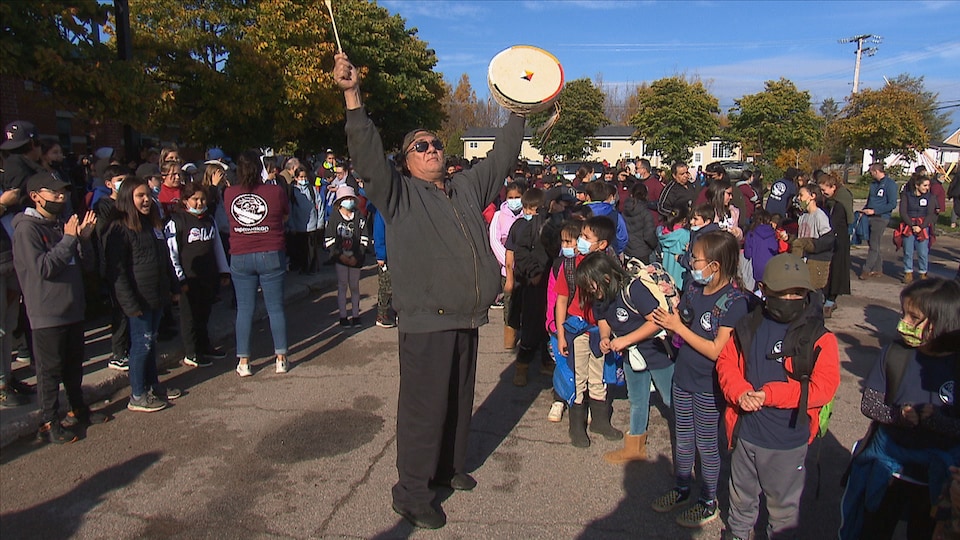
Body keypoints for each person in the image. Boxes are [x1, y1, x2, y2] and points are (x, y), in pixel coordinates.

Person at [337, 51, 525, 529]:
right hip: (426, 321)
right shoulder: (397, 193)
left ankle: (448, 468)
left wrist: (520, 108)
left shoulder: (464, 188)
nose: (431, 149)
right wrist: (352, 96)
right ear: (405, 160)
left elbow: (502, 155)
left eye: (436, 142)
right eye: (420, 146)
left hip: (467, 316)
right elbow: (364, 153)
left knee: (459, 400)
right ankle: (412, 492)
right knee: (423, 410)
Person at [717, 253, 841, 540]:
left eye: (797, 293)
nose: (789, 298)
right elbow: (726, 362)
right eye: (781, 292)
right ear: (764, 290)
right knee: (740, 499)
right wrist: (739, 392)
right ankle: (737, 534)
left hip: (788, 441)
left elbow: (824, 387)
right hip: (746, 433)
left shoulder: (820, 338)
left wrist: (770, 394)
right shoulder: (748, 325)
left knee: (783, 510)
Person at [840, 278, 960, 540]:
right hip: (888, 470)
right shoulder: (895, 352)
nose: (903, 323)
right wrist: (898, 416)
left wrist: (937, 422)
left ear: (942, 322)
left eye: (914, 317)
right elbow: (870, 402)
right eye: (902, 313)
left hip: (937, 482)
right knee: (872, 528)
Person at [651, 230, 751, 528]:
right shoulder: (694, 288)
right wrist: (669, 322)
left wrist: (677, 328)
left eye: (696, 259)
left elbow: (715, 349)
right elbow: (683, 323)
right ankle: (682, 488)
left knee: (706, 444)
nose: (691, 263)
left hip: (709, 386)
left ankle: (708, 500)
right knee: (682, 438)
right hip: (682, 377)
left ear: (715, 266)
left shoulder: (735, 302)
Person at [13, 172, 108, 441]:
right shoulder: (27, 229)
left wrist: (84, 239)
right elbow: (43, 268)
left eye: (63, 192)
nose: (60, 197)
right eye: (53, 193)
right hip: (47, 313)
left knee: (73, 366)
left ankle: (77, 408)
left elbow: (85, 265)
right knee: (50, 371)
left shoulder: (60, 226)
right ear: (35, 197)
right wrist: (69, 239)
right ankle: (48, 421)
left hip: (72, 308)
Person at [580, 252, 674, 464]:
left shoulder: (633, 289)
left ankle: (687, 440)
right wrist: (605, 337)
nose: (589, 290)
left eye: (591, 285)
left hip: (655, 351)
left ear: (605, 278)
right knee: (638, 400)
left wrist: (625, 340)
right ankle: (635, 447)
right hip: (631, 356)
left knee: (670, 398)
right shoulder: (600, 297)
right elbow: (602, 319)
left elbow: (656, 321)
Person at [104, 176, 181, 412]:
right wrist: (129, 304)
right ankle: (137, 394)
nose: (146, 200)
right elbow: (117, 273)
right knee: (141, 345)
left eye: (148, 195)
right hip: (138, 299)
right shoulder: (119, 230)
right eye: (140, 196)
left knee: (151, 343)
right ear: (128, 199)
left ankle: (152, 385)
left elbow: (165, 258)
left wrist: (173, 287)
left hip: (156, 295)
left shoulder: (152, 225)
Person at [555, 216, 623, 448]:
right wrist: (561, 334)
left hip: (599, 330)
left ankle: (600, 420)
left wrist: (607, 334)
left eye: (585, 237)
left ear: (602, 244)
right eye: (581, 236)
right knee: (579, 377)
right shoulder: (571, 265)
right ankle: (577, 424)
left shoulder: (607, 265)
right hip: (577, 329)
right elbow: (561, 300)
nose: (580, 242)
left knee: (599, 375)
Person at [224, 150, 290, 378]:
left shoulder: (229, 193)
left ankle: (244, 360)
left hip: (241, 253)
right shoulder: (275, 191)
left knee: (244, 309)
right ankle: (280, 358)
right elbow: (284, 216)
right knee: (275, 307)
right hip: (270, 251)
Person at [165, 182, 230, 368]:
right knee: (189, 317)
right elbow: (172, 253)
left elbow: (217, 246)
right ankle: (191, 352)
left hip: (207, 277)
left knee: (204, 314)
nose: (199, 202)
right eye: (195, 199)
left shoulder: (209, 219)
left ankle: (204, 345)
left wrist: (223, 270)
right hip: (189, 279)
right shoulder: (177, 221)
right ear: (185, 201)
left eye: (202, 199)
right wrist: (179, 280)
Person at [505, 187, 552, 386]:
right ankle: (522, 366)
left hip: (548, 283)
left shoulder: (549, 226)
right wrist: (515, 277)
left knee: (547, 326)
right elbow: (513, 255)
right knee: (531, 327)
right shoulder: (519, 226)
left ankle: (546, 361)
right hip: (529, 282)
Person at [325, 185, 369, 328]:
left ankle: (356, 316)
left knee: (355, 286)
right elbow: (329, 239)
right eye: (346, 199)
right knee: (342, 286)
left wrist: (359, 255)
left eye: (351, 198)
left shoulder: (359, 216)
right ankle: (343, 316)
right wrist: (339, 255)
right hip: (341, 259)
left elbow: (364, 237)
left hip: (356, 258)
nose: (349, 201)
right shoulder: (334, 217)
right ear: (339, 201)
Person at [489, 182, 525, 348]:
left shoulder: (528, 214)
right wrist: (508, 261)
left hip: (526, 268)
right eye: (511, 198)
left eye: (517, 197)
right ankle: (510, 338)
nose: (514, 201)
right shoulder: (498, 216)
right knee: (510, 303)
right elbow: (494, 240)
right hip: (507, 270)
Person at [792, 184, 834, 293]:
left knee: (814, 293)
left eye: (801, 195)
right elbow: (800, 237)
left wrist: (812, 247)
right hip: (803, 260)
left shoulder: (819, 216)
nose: (799, 198)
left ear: (812, 196)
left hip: (815, 261)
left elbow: (828, 240)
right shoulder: (803, 216)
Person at [820, 173, 852, 318]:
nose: (823, 193)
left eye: (824, 190)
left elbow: (835, 222)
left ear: (833, 187)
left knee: (836, 270)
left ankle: (831, 299)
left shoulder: (839, 203)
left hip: (839, 239)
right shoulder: (830, 201)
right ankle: (827, 297)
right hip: (831, 238)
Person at [860, 163, 898, 280]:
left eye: (871, 171)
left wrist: (875, 210)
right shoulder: (873, 185)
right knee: (872, 243)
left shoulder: (890, 185)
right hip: (869, 216)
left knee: (874, 244)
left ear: (876, 171)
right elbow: (870, 199)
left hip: (881, 217)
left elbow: (892, 204)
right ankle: (878, 268)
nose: (870, 174)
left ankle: (866, 269)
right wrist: (864, 210)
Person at [899, 174, 937, 283]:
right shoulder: (906, 196)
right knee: (908, 251)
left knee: (923, 252)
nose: (927, 188)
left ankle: (923, 273)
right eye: (924, 185)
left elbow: (930, 214)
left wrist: (921, 227)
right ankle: (908, 272)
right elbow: (903, 212)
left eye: (928, 185)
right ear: (917, 185)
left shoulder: (931, 197)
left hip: (923, 226)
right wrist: (912, 225)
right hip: (909, 225)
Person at [286, 165, 323, 274]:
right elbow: (290, 210)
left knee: (312, 248)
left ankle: (311, 268)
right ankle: (302, 268)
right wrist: (291, 225)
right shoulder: (292, 191)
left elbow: (319, 206)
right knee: (301, 249)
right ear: (296, 178)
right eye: (301, 177)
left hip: (312, 224)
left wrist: (320, 223)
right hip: (298, 226)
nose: (303, 180)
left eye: (305, 177)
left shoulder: (312, 189)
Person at [583, 181, 628, 255]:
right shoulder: (615, 214)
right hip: (609, 255)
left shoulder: (580, 212)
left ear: (588, 196)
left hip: (583, 255)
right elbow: (623, 237)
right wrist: (615, 251)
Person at [622, 182, 658, 264]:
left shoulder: (625, 210)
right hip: (643, 252)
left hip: (628, 250)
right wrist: (655, 244)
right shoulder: (646, 213)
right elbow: (649, 236)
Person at [657, 208, 691, 289]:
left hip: (666, 273)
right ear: (684, 220)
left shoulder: (663, 233)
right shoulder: (685, 234)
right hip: (680, 278)